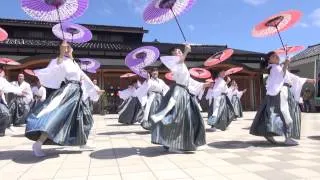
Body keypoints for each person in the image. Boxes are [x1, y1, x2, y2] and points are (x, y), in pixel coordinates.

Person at [25, 41, 102, 157]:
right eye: (65, 48)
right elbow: (55, 67)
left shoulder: (75, 63)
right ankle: (38, 143)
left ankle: (82, 142)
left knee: (85, 117)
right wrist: (61, 53)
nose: (67, 49)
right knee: (57, 116)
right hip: (69, 91)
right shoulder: (61, 60)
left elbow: (84, 76)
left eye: (69, 47)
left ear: (72, 49)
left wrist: (95, 89)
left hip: (78, 92)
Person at [150, 44, 211, 152]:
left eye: (179, 51)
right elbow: (180, 62)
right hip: (178, 93)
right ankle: (174, 144)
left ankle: (187, 142)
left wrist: (203, 85)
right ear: (172, 56)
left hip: (184, 92)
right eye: (176, 52)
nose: (178, 52)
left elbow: (189, 81)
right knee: (177, 118)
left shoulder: (182, 65)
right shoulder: (174, 63)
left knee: (189, 118)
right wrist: (186, 51)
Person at [250, 51, 316, 146]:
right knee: (286, 114)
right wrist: (285, 64)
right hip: (281, 93)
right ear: (269, 60)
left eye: (276, 55)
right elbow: (282, 76)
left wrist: (308, 80)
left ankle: (270, 133)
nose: (276, 56)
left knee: (276, 114)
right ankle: (287, 137)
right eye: (273, 56)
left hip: (282, 92)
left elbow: (293, 77)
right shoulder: (275, 68)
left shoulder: (277, 67)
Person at [0, 67, 23, 136]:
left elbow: (9, 88)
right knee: (5, 113)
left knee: (6, 113)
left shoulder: (2, 80)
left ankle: (1, 130)